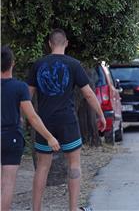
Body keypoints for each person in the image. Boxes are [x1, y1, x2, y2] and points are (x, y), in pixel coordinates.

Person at [26, 29, 106, 211]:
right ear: (67, 43)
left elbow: (27, 96)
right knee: (74, 164)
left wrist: (26, 119)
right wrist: (101, 115)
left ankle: (36, 209)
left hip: (43, 122)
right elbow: (88, 94)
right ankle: (73, 209)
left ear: (49, 43)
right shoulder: (74, 64)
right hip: (68, 121)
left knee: (42, 167)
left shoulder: (38, 65)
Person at [1, 46, 60, 211]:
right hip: (11, 137)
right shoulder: (19, 87)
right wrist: (49, 137)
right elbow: (32, 117)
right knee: (7, 184)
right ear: (12, 63)